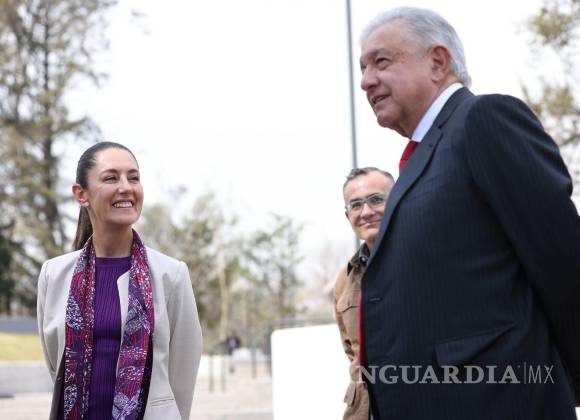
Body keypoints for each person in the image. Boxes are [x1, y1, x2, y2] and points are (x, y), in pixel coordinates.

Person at [358, 7, 580, 420]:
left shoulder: (483, 119)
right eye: (363, 68)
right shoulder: (421, 158)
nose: (366, 80)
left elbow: (562, 259)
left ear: (438, 62)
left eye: (381, 61)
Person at [37, 142, 203, 420]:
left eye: (133, 178)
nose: (126, 187)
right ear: (81, 194)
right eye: (111, 178)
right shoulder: (53, 274)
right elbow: (57, 367)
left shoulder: (171, 274)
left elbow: (181, 378)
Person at [333, 167, 394, 420]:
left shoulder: (426, 260)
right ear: (348, 216)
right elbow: (352, 352)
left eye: (376, 199)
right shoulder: (344, 280)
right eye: (356, 205)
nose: (366, 212)